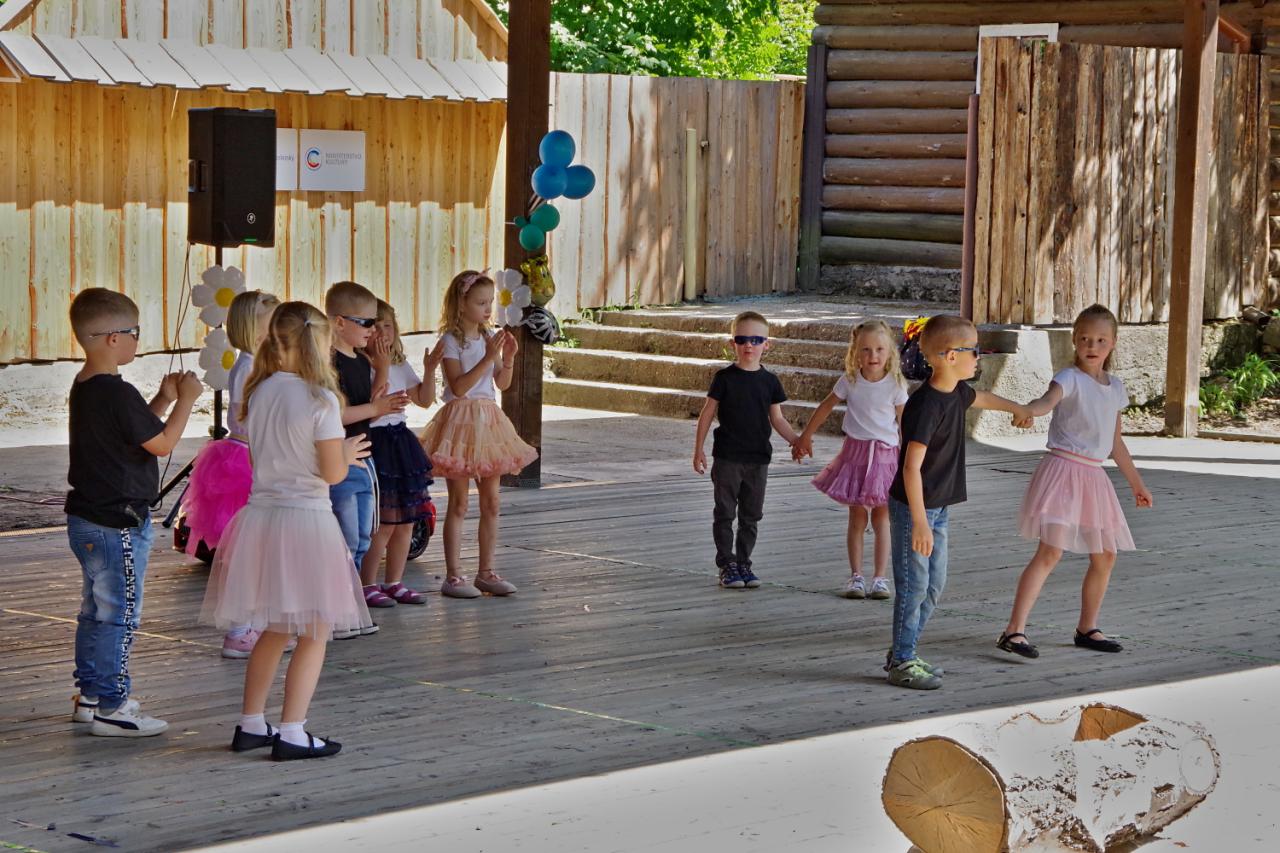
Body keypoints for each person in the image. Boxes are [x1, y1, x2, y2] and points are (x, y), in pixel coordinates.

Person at [199, 301, 372, 760]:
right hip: (306, 520)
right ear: (320, 343)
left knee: (274, 626)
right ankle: (293, 731)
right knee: (314, 630)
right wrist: (346, 456)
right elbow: (331, 474)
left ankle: (252, 722)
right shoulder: (321, 400)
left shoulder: (260, 391)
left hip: (263, 517)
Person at [66, 288, 202, 736]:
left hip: (88, 519)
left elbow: (134, 432)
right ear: (112, 338)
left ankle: (91, 695)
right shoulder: (118, 392)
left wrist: (162, 399)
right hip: (117, 523)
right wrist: (187, 399)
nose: (137, 340)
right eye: (134, 332)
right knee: (120, 614)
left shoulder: (87, 386)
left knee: (96, 610)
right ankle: (113, 705)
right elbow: (161, 444)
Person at [997, 304, 1153, 660]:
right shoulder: (1068, 378)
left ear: (1113, 343)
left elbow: (1115, 443)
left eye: (1100, 340)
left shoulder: (1116, 388)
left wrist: (1137, 484)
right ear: (1074, 340)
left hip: (1094, 478)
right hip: (1063, 472)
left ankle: (1087, 627)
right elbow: (1045, 402)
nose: (1091, 346)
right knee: (1050, 551)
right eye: (1084, 339)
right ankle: (1013, 631)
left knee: (1106, 555)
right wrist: (1027, 411)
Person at [885, 314, 1031, 690]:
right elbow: (910, 467)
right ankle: (902, 660)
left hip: (938, 508)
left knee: (934, 585)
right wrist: (919, 522)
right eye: (974, 350)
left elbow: (983, 397)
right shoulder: (926, 406)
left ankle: (904, 649)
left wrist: (1018, 408)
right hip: (914, 509)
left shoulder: (957, 393)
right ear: (951, 356)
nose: (979, 357)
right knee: (914, 586)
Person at [420, 270, 538, 599]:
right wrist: (488, 358)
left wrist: (507, 359)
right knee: (458, 502)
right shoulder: (450, 341)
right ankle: (454, 574)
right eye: (480, 303)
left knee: (492, 502)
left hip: (489, 420)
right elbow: (459, 386)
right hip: (460, 421)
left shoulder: (490, 337)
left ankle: (486, 571)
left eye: (490, 302)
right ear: (461, 304)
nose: (488, 309)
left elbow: (501, 383)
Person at [180, 289, 282, 658]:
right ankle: (240, 630)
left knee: (259, 552)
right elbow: (247, 417)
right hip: (245, 462)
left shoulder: (260, 364)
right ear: (255, 330)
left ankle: (255, 623)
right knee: (247, 553)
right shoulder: (248, 368)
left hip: (256, 457)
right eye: (272, 325)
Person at [793, 319, 909, 600]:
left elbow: (905, 423)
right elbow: (825, 407)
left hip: (885, 458)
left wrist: (909, 460)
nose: (873, 356)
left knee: (882, 517)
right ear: (855, 352)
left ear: (890, 352)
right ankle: (856, 576)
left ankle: (880, 578)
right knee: (857, 515)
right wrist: (806, 436)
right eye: (866, 349)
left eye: (879, 349)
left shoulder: (895, 385)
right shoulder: (850, 380)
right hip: (855, 456)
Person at [692, 311, 800, 590]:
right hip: (728, 457)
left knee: (751, 515)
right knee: (725, 512)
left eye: (755, 340)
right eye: (742, 340)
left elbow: (777, 419)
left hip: (758, 459)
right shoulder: (724, 378)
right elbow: (707, 413)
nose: (748, 345)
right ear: (733, 344)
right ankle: (726, 564)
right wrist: (699, 449)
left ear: (767, 344)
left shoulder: (770, 381)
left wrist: (797, 441)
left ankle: (744, 562)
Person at [324, 281, 408, 627]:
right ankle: (335, 610)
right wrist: (376, 407)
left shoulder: (360, 360)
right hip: (341, 459)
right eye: (366, 323)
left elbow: (367, 410)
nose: (373, 330)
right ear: (339, 322)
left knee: (361, 537)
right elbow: (332, 414)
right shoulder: (328, 364)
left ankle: (349, 605)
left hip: (364, 457)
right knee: (343, 538)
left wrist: (382, 383)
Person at [359, 299, 447, 605]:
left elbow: (423, 399)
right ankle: (367, 583)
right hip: (378, 441)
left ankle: (394, 581)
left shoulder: (398, 363)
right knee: (384, 522)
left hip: (401, 441)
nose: (383, 332)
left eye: (388, 325)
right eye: (376, 326)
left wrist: (430, 369)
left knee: (407, 519)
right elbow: (371, 404)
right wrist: (380, 367)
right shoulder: (361, 364)